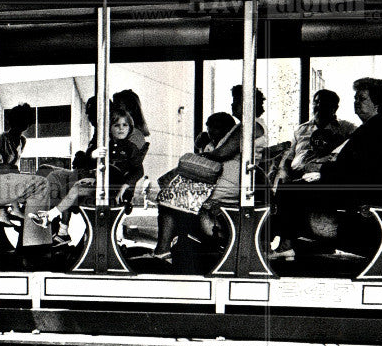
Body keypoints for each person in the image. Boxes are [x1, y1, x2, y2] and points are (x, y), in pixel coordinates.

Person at [271, 78, 382, 258]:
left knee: (291, 190)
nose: (356, 103)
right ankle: (291, 244)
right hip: (356, 185)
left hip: (361, 192)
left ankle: (286, 245)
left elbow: (354, 169)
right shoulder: (372, 128)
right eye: (355, 98)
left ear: (377, 103)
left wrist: (322, 172)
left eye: (362, 99)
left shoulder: (376, 130)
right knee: (294, 187)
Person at [31, 109, 145, 232]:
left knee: (75, 189)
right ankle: (63, 231)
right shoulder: (105, 145)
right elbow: (89, 164)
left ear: (130, 128)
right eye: (116, 125)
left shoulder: (130, 148)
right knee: (68, 187)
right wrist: (93, 155)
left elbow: (139, 170)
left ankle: (51, 217)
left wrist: (125, 186)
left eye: (124, 125)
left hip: (114, 188)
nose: (121, 129)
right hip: (101, 183)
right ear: (109, 128)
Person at [153, 112, 238, 258]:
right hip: (213, 186)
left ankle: (163, 249)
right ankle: (168, 247)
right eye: (209, 129)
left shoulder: (223, 147)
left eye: (215, 128)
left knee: (169, 201)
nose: (211, 133)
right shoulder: (212, 144)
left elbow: (214, 159)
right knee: (170, 195)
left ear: (226, 130)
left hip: (218, 188)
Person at [0, 103, 52, 248]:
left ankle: (24, 229)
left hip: (11, 176)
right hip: (0, 177)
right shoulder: (1, 139)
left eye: (26, 121)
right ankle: (11, 211)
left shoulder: (22, 141)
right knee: (36, 183)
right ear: (13, 122)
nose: (24, 124)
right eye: (20, 120)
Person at [276, 90, 356, 185]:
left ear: (335, 108)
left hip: (323, 179)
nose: (319, 106)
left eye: (324, 103)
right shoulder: (300, 130)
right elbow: (288, 159)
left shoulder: (345, 128)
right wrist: (285, 176)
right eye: (316, 102)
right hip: (296, 176)